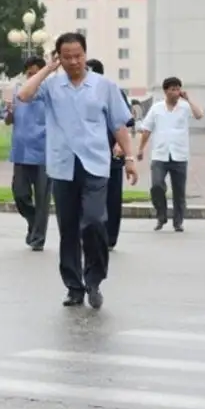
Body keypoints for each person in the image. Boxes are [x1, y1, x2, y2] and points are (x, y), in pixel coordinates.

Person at [15, 33, 137, 309]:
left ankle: (94, 279)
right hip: (63, 166)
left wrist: (129, 156)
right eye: (66, 56)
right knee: (68, 229)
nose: (73, 61)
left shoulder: (104, 86)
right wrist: (48, 68)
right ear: (59, 57)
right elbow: (24, 94)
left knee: (93, 221)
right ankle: (74, 286)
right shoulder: (52, 86)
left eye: (78, 55)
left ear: (85, 53)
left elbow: (119, 124)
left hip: (95, 164)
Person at [137, 77, 203, 232]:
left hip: (180, 155)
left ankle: (178, 222)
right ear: (165, 91)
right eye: (172, 89)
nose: (175, 92)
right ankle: (161, 214)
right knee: (156, 186)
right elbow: (147, 129)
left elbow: (199, 115)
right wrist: (141, 148)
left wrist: (189, 99)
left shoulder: (185, 107)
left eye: (178, 89)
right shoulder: (156, 108)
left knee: (179, 192)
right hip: (160, 154)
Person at [87, 58, 135, 249]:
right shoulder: (82, 92)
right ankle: (92, 234)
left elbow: (125, 122)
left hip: (112, 154)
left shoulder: (112, 90)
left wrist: (121, 146)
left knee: (112, 197)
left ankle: (110, 237)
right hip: (90, 153)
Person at [5, 55, 51, 251]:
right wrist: (9, 112)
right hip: (21, 151)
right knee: (20, 194)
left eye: (35, 73)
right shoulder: (19, 92)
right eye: (29, 74)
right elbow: (9, 120)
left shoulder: (50, 93)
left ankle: (38, 238)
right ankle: (32, 221)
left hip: (43, 153)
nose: (31, 77)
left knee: (42, 198)